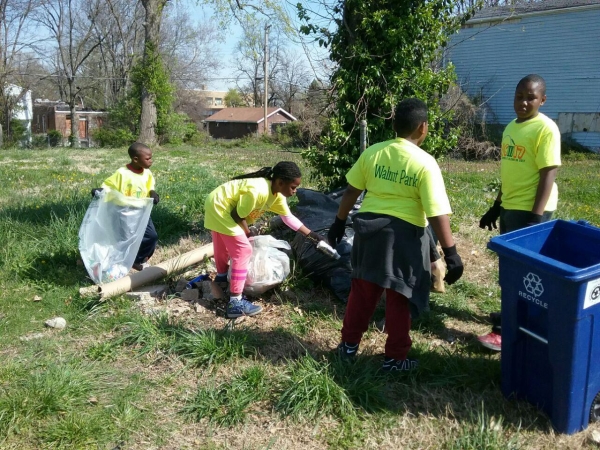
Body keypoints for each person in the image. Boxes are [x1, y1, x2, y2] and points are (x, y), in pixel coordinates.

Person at [328, 98, 464, 372]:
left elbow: (352, 191)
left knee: (362, 292)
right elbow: (437, 213)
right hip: (402, 237)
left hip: (368, 232)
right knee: (400, 295)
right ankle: (395, 358)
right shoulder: (425, 163)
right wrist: (451, 254)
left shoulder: (374, 153)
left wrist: (339, 223)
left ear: (394, 125)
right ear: (423, 128)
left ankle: (348, 346)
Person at [478, 74, 561, 351]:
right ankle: (511, 315)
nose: (524, 102)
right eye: (519, 96)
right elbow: (511, 171)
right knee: (509, 268)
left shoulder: (545, 129)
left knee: (524, 275)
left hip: (531, 211)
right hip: (512, 207)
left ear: (543, 100)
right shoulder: (511, 128)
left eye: (531, 97)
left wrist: (535, 219)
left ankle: (506, 332)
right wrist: (497, 205)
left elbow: (549, 173)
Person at [204, 161, 324, 319]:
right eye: (293, 187)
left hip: (216, 202)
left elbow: (288, 218)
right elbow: (237, 215)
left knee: (222, 242)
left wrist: (312, 235)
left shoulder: (276, 196)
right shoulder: (259, 191)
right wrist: (247, 234)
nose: (295, 191)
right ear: (280, 182)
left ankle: (221, 278)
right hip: (221, 207)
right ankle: (235, 303)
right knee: (244, 250)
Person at [92, 142, 160, 271]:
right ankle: (119, 263)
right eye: (147, 158)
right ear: (135, 159)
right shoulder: (122, 173)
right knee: (127, 238)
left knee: (151, 236)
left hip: (142, 211)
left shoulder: (147, 173)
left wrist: (152, 192)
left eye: (151, 158)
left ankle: (138, 259)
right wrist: (100, 191)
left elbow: (150, 185)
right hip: (125, 212)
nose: (151, 161)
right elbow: (109, 187)